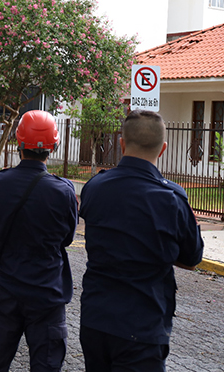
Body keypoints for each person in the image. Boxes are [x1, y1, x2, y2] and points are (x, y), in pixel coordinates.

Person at [79, 109, 204, 372]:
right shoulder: (172, 199)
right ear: (163, 149)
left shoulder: (94, 187)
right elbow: (192, 260)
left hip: (96, 320)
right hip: (142, 327)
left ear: (122, 144)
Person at [0, 110, 78, 372]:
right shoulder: (63, 191)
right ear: (54, 146)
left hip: (6, 292)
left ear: (18, 142)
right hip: (47, 293)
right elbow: (67, 239)